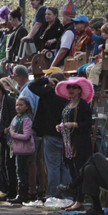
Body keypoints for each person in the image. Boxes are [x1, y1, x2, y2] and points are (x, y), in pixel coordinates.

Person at [28, 70, 71, 199]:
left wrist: (45, 80)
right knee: (65, 166)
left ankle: (52, 194)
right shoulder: (69, 96)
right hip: (66, 134)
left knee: (53, 166)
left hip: (51, 134)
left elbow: (32, 85)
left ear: (53, 83)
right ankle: (67, 195)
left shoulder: (48, 93)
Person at [54, 77, 94, 212]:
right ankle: (75, 199)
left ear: (80, 90)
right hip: (68, 143)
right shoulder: (68, 105)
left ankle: (79, 200)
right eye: (69, 87)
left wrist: (74, 125)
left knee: (79, 172)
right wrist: (60, 126)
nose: (71, 90)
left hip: (79, 143)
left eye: (74, 87)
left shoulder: (83, 105)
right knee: (72, 171)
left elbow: (88, 124)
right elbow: (64, 120)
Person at [13, 65, 45, 200]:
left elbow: (30, 111)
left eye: (14, 77)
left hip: (31, 131)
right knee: (38, 161)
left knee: (32, 162)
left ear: (19, 77)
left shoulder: (27, 91)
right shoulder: (33, 88)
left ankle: (32, 190)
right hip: (38, 129)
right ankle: (41, 189)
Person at [7, 97, 35, 204]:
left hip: (23, 150)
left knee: (21, 172)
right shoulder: (16, 117)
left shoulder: (27, 119)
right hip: (16, 148)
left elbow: (27, 136)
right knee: (19, 171)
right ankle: (21, 194)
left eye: (21, 105)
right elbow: (11, 127)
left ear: (27, 107)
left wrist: (13, 134)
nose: (18, 107)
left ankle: (22, 195)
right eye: (17, 105)